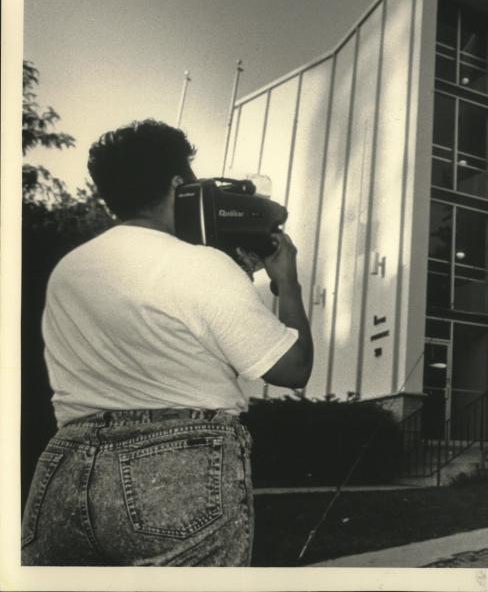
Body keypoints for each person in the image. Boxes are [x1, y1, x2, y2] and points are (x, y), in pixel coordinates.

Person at [21, 119, 313, 566]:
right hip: (175, 466)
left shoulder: (67, 270)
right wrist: (286, 283)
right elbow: (293, 370)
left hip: (65, 467)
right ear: (180, 184)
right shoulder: (200, 265)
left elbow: (157, 336)